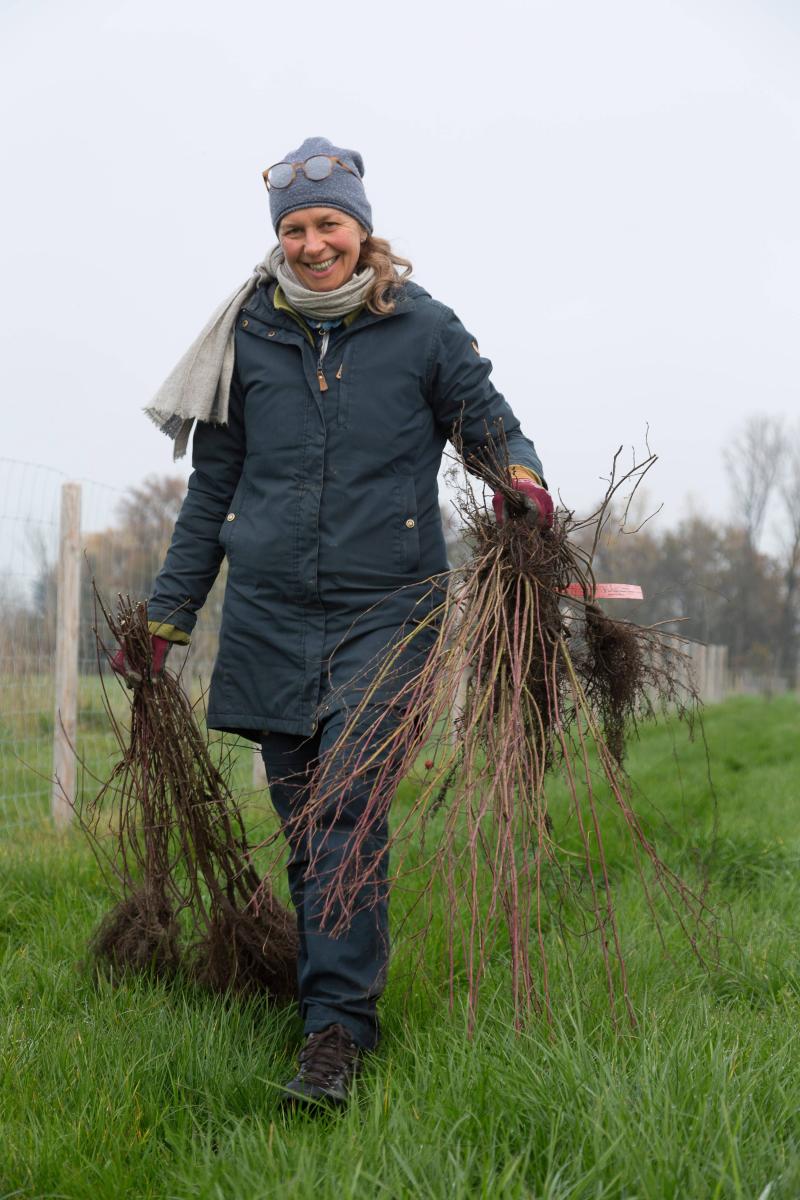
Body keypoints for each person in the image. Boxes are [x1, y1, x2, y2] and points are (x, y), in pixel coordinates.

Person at [120, 136, 552, 1107]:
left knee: (346, 813)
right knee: (304, 825)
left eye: (328, 225)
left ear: (362, 227)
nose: (312, 245)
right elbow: (213, 488)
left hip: (388, 610)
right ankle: (331, 994)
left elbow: (488, 424)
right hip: (271, 614)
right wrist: (167, 613)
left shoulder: (422, 327)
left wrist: (519, 484)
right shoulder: (250, 337)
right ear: (278, 237)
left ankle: (334, 1038)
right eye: (294, 229)